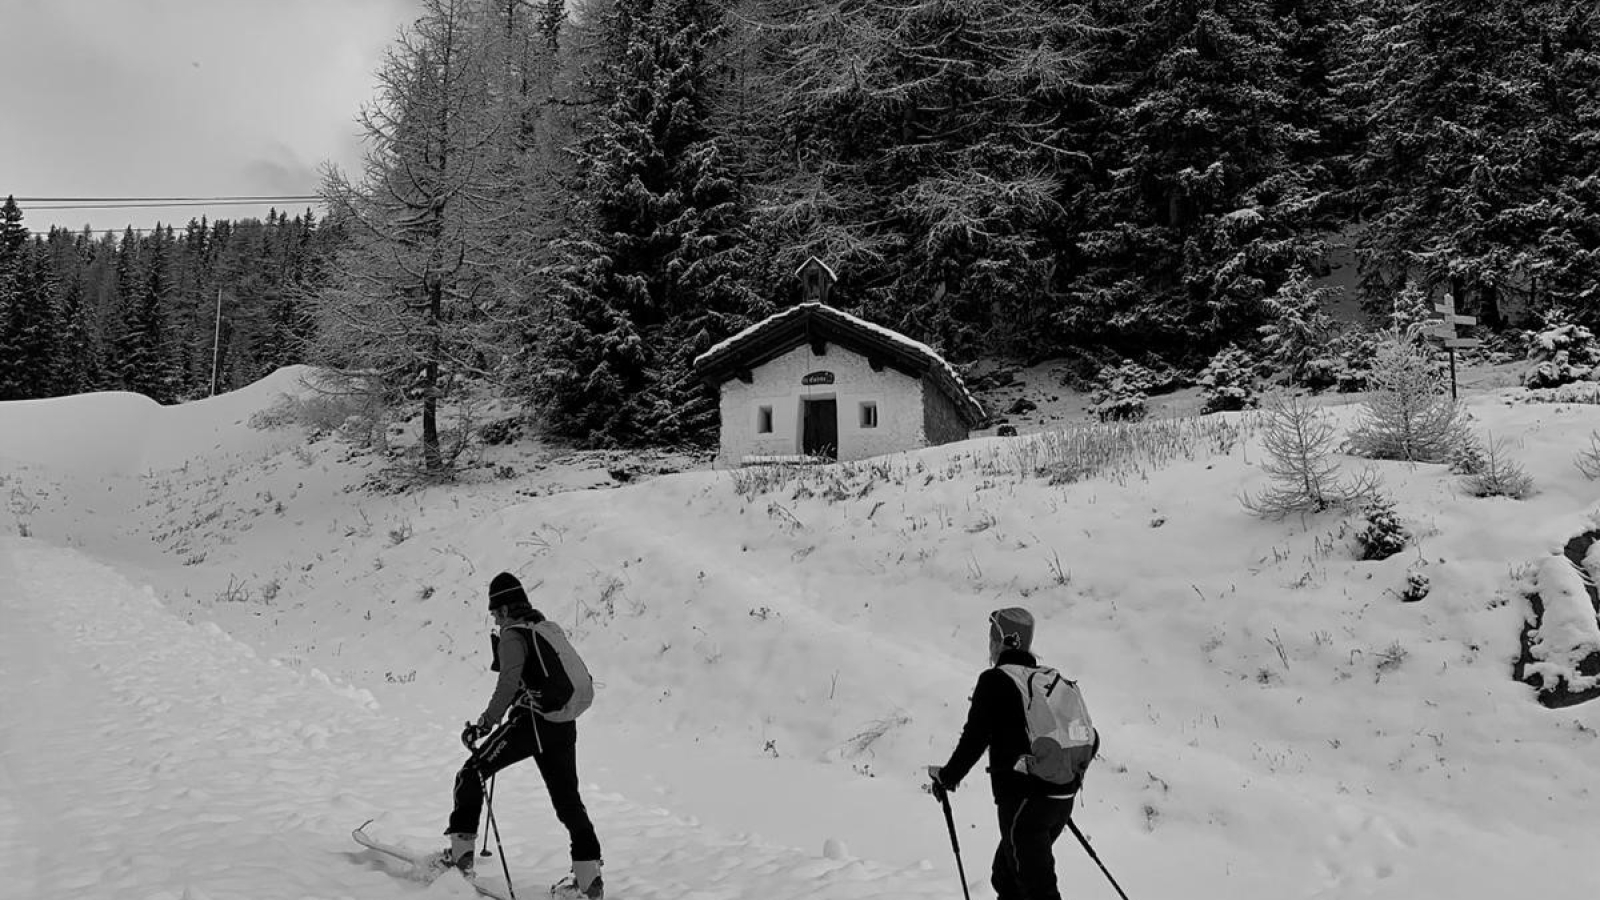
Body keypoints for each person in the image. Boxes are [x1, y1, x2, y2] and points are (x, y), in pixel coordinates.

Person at [440, 572, 605, 900]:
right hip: (563, 723)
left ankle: (459, 863)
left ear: (502, 610)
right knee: (568, 802)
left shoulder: (514, 636)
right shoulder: (546, 629)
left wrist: (484, 724)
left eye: (494, 613)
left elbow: (508, 684)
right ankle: (589, 882)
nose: (494, 619)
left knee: (470, 775)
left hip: (534, 724)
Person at [927, 607, 1097, 900]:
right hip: (1058, 801)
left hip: (1024, 804)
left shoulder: (995, 681)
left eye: (992, 638)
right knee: (1007, 877)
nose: (990, 646)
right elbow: (1090, 740)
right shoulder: (1046, 680)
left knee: (1035, 890)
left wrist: (947, 777)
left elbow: (974, 739)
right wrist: (1056, 778)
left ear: (1003, 641)